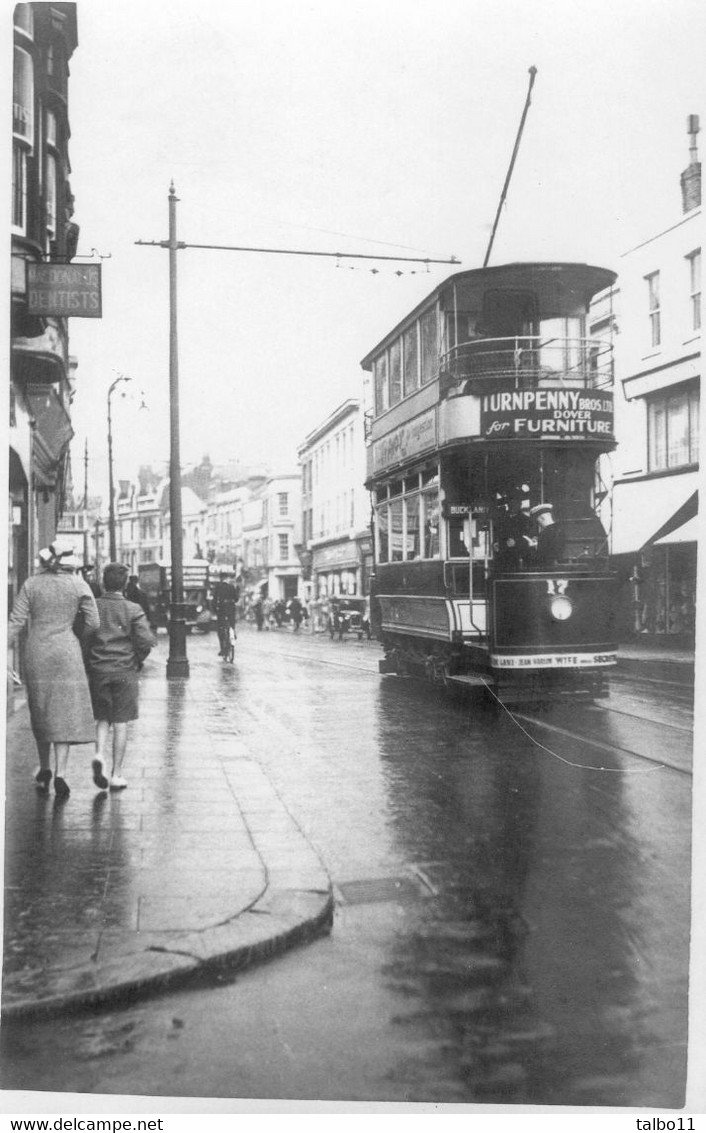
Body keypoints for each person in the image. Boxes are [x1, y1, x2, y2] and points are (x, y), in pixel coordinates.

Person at [7, 543, 100, 799]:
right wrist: (77, 637)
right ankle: (61, 774)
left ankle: (44, 767)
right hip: (67, 651)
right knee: (64, 712)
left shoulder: (31, 584)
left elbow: (16, 621)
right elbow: (94, 622)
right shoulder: (79, 584)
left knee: (41, 708)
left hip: (37, 651)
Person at [85, 562, 156, 791]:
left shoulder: (94, 606)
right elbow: (146, 641)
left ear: (104, 582)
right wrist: (136, 659)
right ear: (125, 584)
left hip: (99, 670)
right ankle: (116, 775)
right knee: (121, 722)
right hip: (124, 670)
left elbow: (85, 636)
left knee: (102, 718)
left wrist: (91, 660)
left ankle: (98, 754)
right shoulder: (133, 609)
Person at [493, 489, 534, 571]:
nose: (512, 505)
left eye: (515, 503)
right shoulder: (501, 519)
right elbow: (495, 533)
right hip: (502, 556)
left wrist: (517, 542)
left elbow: (530, 539)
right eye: (510, 503)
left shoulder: (526, 520)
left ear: (520, 504)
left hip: (520, 557)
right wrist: (495, 543)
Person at [528, 503, 565, 568]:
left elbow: (543, 554)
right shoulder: (558, 529)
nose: (539, 524)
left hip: (548, 566)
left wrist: (535, 546)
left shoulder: (546, 532)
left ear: (542, 518)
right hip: (555, 566)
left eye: (538, 521)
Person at [213, 572, 239, 657]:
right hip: (231, 609)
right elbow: (236, 599)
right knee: (232, 624)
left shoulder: (218, 587)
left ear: (221, 578)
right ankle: (233, 633)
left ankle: (222, 649)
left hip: (222, 610)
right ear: (227, 578)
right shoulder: (232, 587)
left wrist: (215, 610)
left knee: (220, 629)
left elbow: (214, 600)